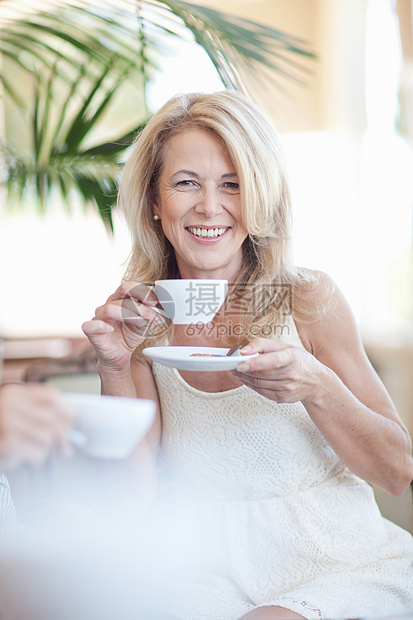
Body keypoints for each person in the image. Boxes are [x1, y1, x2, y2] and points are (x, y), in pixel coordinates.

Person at [82, 90, 413, 620]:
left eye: (232, 185)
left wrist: (316, 385)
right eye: (186, 182)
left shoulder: (306, 300)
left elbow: (397, 470)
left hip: (335, 568)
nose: (210, 207)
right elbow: (127, 502)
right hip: (203, 578)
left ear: (259, 197)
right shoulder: (143, 319)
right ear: (153, 200)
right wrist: (114, 366)